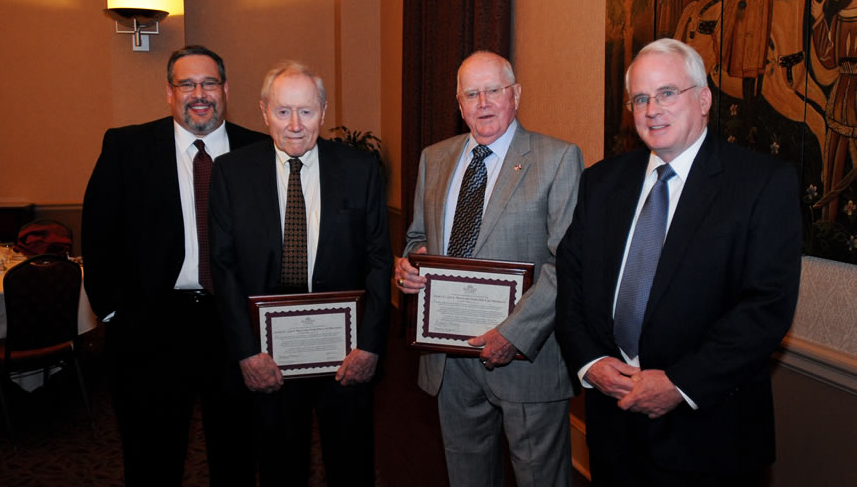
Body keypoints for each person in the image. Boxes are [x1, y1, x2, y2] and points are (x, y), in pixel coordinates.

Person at [555, 38, 802, 486]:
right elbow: (570, 280)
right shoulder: (601, 181)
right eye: (641, 99)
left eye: (668, 93)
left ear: (704, 99)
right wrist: (590, 361)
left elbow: (765, 306)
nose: (653, 110)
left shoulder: (763, 183)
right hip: (614, 429)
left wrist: (678, 384)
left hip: (709, 435)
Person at [395, 51, 584, 487]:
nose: (483, 102)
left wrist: (511, 334)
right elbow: (416, 240)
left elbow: (565, 263)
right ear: (458, 104)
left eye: (493, 90)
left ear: (515, 94)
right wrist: (409, 267)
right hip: (449, 358)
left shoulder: (557, 159)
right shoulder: (435, 159)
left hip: (526, 358)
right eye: (471, 93)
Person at [82, 45, 267, 485]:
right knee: (152, 456)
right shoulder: (126, 147)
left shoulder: (259, 150)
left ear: (226, 90)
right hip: (152, 328)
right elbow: (98, 232)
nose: (198, 93)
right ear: (169, 92)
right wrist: (113, 313)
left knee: (238, 452)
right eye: (187, 84)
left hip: (235, 325)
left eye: (209, 83)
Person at [208, 60, 392, 486]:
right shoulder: (232, 174)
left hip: (346, 358)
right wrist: (247, 352)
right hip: (269, 358)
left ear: (323, 113)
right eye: (283, 111)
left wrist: (369, 347)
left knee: (351, 466)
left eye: (306, 111)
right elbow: (224, 266)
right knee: (279, 467)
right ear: (263, 111)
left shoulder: (360, 170)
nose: (294, 124)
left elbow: (380, 261)